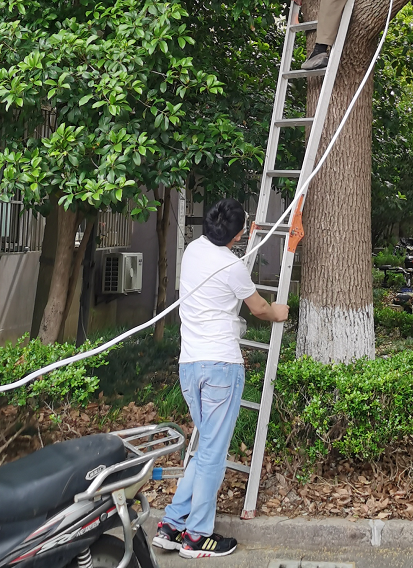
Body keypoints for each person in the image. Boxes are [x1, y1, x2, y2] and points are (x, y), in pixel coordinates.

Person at [153, 198, 289, 559]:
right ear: (238, 235)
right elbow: (259, 308)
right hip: (220, 368)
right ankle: (197, 536)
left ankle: (171, 525)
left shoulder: (193, 251)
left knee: (205, 449)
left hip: (189, 366)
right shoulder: (232, 267)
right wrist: (279, 311)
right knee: (212, 453)